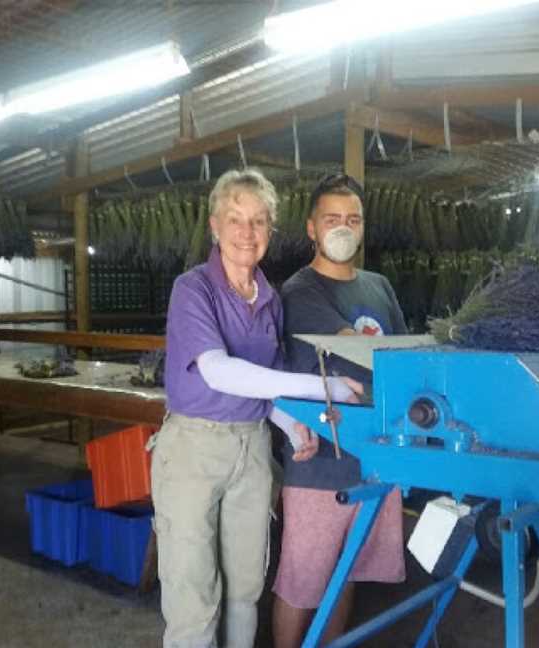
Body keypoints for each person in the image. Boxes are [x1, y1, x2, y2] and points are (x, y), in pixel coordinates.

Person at [151, 168, 362, 648]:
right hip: (193, 451)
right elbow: (219, 372)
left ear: (271, 230)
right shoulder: (193, 289)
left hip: (251, 449)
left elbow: (262, 390)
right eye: (235, 219)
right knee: (194, 595)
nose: (247, 233)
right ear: (215, 226)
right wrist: (319, 387)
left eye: (259, 221)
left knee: (246, 588)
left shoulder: (270, 298)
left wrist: (289, 424)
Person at [272, 173, 408, 647]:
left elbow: (401, 364)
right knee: (301, 583)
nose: (343, 228)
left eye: (353, 219)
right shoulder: (300, 290)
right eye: (332, 219)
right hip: (319, 464)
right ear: (311, 228)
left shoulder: (380, 287)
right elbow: (357, 350)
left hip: (373, 459)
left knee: (346, 574)